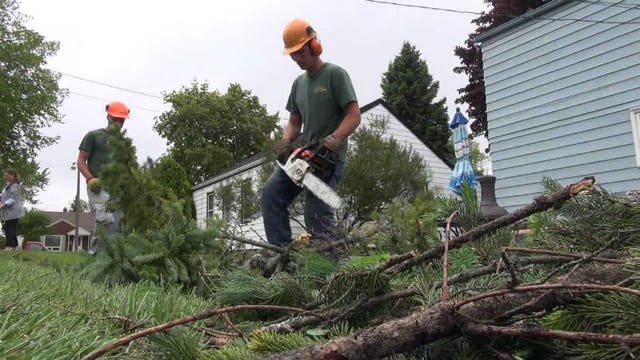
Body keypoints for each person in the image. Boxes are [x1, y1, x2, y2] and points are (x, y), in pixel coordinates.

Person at [262, 19, 361, 249]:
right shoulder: (298, 84)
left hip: (328, 158)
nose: (296, 58)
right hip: (305, 155)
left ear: (314, 45)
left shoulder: (335, 75)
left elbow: (354, 115)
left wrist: (335, 139)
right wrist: (285, 141)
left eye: (299, 51)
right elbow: (295, 122)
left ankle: (328, 269)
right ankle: (283, 254)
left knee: (315, 210)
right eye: (292, 54)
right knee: (272, 193)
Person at [77, 101, 130, 254]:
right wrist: (90, 179)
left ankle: (112, 259)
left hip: (117, 188)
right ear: (108, 117)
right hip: (97, 185)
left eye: (122, 120)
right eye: (116, 119)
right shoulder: (93, 136)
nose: (119, 123)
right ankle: (96, 257)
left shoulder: (123, 142)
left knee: (118, 223)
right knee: (106, 219)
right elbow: (81, 161)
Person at [0, 168, 26, 250]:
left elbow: (13, 199)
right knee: (11, 228)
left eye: (6, 175)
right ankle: (15, 246)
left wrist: (2, 205)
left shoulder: (16, 186)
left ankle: (9, 246)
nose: (5, 177)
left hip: (14, 211)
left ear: (12, 176)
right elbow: (4, 195)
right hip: (8, 211)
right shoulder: (9, 185)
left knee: (8, 228)